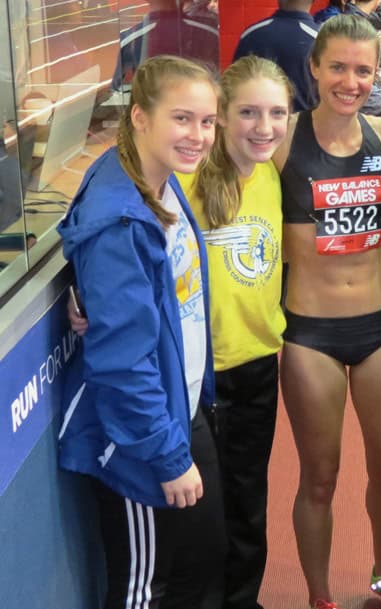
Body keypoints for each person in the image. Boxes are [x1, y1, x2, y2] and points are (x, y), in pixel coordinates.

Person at [56, 55, 226, 608]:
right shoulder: (120, 216)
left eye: (207, 121)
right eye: (182, 119)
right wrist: (165, 455)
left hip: (182, 409)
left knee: (200, 562)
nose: (198, 136)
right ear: (139, 118)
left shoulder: (159, 182)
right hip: (141, 441)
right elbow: (122, 363)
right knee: (144, 590)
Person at [272, 15, 381, 609]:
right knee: (320, 478)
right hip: (311, 335)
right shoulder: (282, 141)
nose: (350, 81)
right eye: (338, 67)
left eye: (363, 69)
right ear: (314, 67)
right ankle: (319, 598)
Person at [181, 55, 292, 609]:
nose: (264, 126)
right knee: (203, 500)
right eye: (248, 112)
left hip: (255, 364)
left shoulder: (272, 173)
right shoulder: (187, 176)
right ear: (221, 116)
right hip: (200, 373)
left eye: (276, 112)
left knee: (249, 494)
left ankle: (242, 600)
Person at [233, 0, 319, 112]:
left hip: (255, 125)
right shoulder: (323, 40)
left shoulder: (250, 35)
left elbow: (232, 90)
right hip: (307, 126)